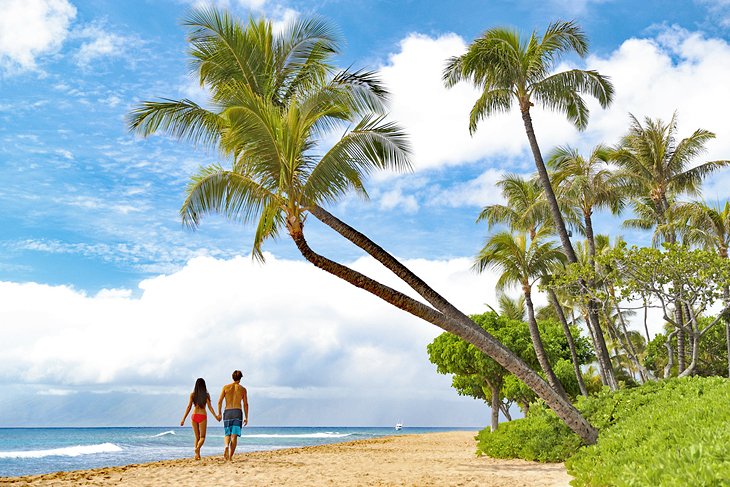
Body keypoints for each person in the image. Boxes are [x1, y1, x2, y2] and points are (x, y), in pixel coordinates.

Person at [180, 378, 221, 459]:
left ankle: (197, 455)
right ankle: (197, 449)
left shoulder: (192, 395)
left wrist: (183, 419)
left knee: (197, 437)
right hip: (202, 416)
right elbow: (210, 407)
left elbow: (188, 407)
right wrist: (216, 416)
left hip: (194, 415)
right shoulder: (206, 395)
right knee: (202, 437)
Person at [218, 369, 249, 461]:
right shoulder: (243, 389)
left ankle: (226, 446)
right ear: (240, 378)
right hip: (237, 412)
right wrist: (246, 417)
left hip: (227, 412)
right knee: (234, 435)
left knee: (227, 433)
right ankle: (230, 457)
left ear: (232, 377)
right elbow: (245, 404)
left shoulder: (225, 387)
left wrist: (219, 413)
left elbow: (219, 402)